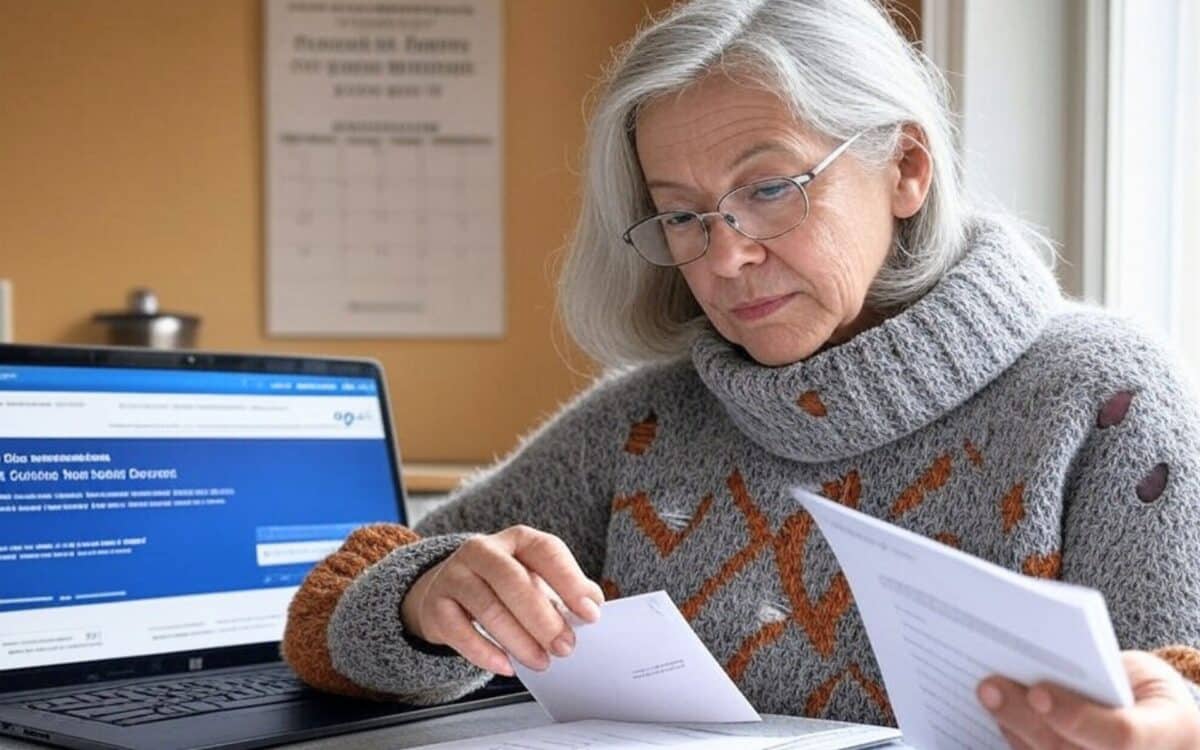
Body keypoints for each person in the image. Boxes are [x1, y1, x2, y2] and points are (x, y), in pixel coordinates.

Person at [281, 0, 1200, 746]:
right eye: (682, 217)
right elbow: (321, 619)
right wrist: (418, 596)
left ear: (907, 168)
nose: (723, 259)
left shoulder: (1104, 400)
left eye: (769, 190)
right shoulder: (645, 424)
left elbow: (1183, 681)